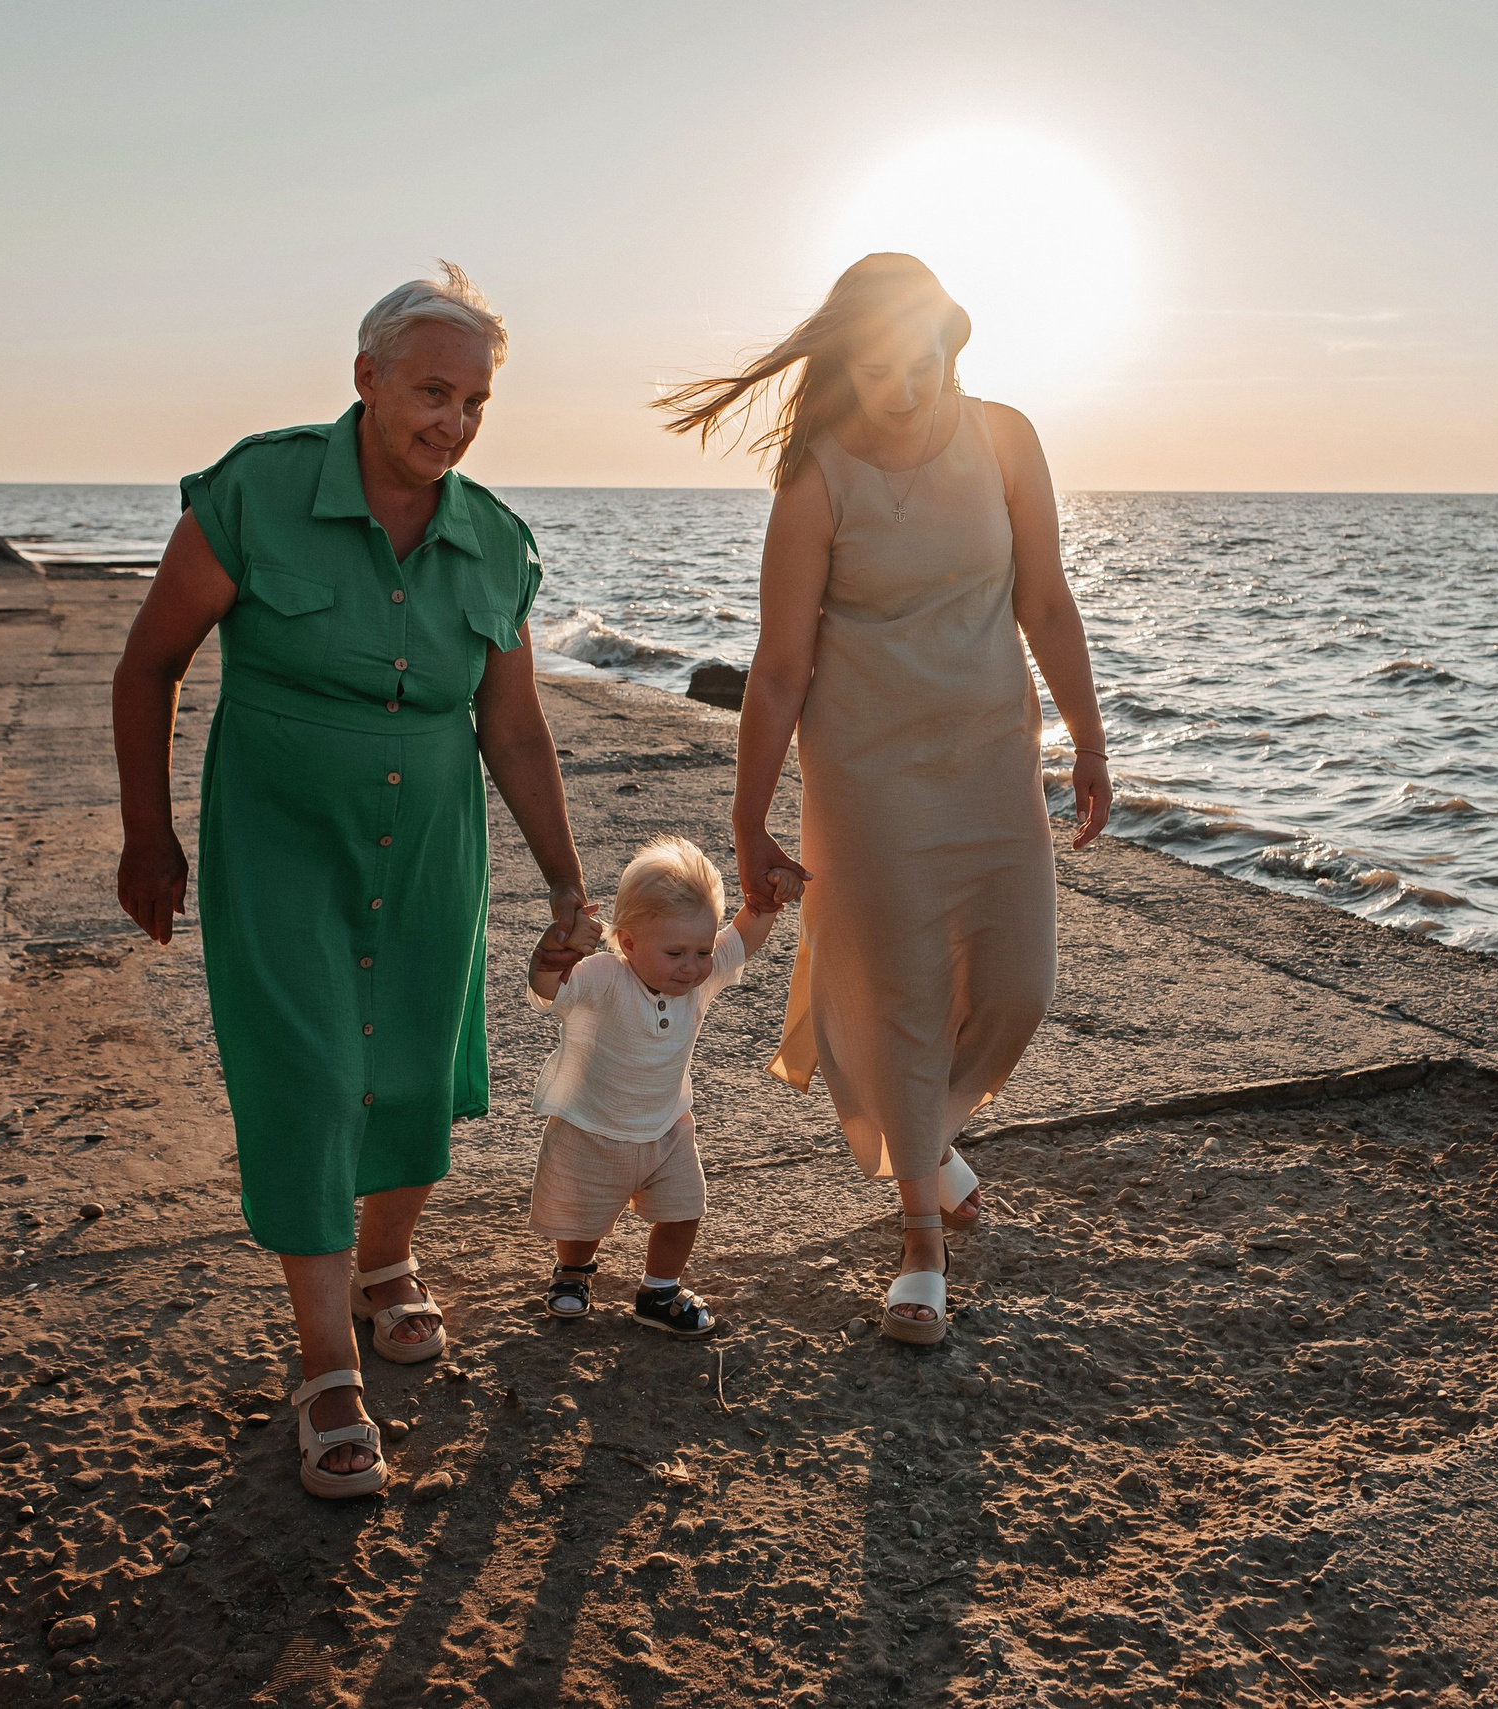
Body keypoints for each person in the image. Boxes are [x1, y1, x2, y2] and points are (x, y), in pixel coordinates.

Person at [112, 262, 597, 1499]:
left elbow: (518, 729)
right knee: (312, 1078)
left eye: (476, 400)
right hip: (277, 841)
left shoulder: (493, 541)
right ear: (368, 377)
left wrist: (565, 889)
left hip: (430, 848)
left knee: (411, 1074)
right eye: (432, 390)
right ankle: (326, 1360)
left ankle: (387, 1262)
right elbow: (151, 663)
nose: (454, 420)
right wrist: (147, 835)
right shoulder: (257, 490)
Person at [655, 254, 1112, 1346]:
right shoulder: (819, 478)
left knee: (1019, 986)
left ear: (951, 343)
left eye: (919, 360)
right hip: (868, 774)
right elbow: (776, 667)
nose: (902, 384)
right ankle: (920, 1236)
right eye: (877, 365)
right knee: (906, 993)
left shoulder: (1006, 438)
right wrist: (749, 818)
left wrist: (1089, 737)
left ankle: (923, 1136)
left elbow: (1045, 597)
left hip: (992, 759)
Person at [523, 836, 798, 1338]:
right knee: (582, 1220)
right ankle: (575, 1271)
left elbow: (743, 935)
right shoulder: (605, 976)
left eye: (702, 950)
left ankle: (659, 1290)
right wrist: (553, 955)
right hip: (591, 1128)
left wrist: (767, 900)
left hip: (667, 1129)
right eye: (675, 952)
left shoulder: (699, 979)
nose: (692, 966)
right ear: (627, 942)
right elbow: (550, 991)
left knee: (684, 1211)